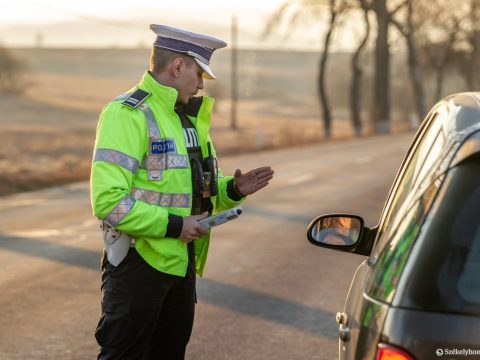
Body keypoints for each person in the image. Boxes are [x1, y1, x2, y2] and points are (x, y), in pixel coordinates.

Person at [90, 24, 274, 360]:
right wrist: (176, 226)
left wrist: (232, 189)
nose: (202, 83)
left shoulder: (187, 118)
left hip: (180, 266)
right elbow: (109, 202)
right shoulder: (128, 114)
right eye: (199, 73)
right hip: (138, 267)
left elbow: (194, 191)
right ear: (178, 66)